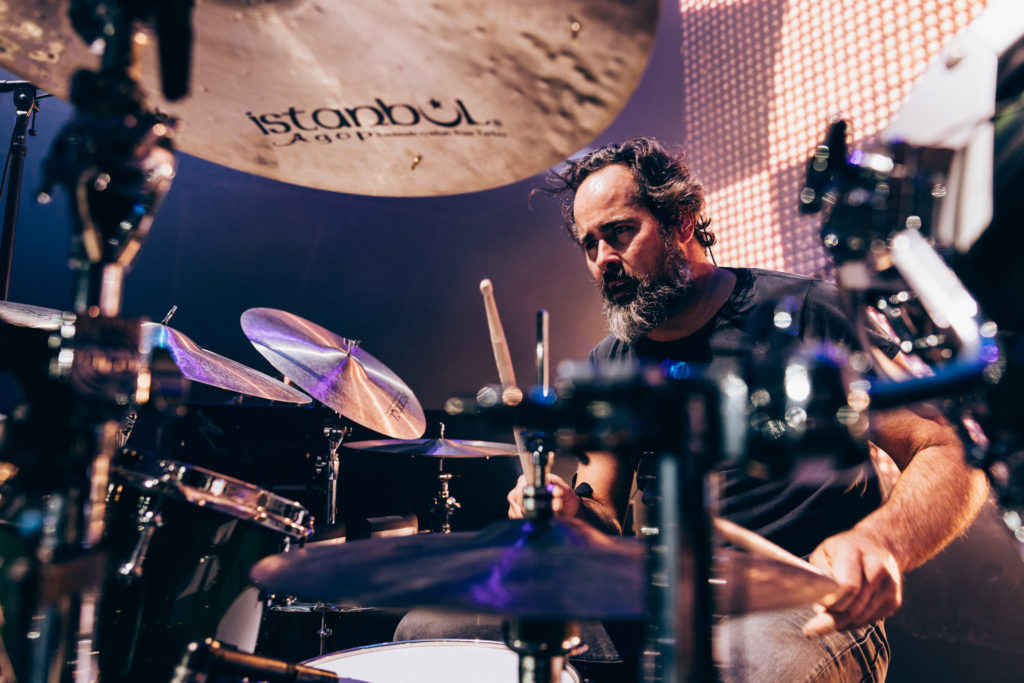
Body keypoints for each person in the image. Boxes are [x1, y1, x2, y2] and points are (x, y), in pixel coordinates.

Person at [397, 137, 989, 682]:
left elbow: (949, 446)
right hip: (653, 597)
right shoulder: (613, 360)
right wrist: (569, 512)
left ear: (682, 220)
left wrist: (881, 541)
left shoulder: (809, 314)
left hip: (799, 601)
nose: (603, 259)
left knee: (750, 665)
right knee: (431, 631)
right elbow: (603, 511)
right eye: (589, 244)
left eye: (619, 233)